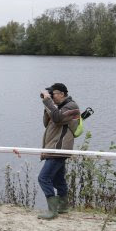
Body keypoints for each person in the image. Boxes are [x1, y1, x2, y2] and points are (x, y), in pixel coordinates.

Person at [37, 83, 80, 220]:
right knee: (58, 179)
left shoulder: (71, 106)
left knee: (43, 178)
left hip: (59, 149)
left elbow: (57, 118)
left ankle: (52, 210)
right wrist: (47, 104)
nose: (52, 96)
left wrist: (47, 101)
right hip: (55, 147)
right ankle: (63, 206)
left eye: (53, 94)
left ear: (62, 94)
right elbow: (47, 123)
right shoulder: (58, 107)